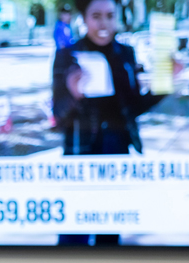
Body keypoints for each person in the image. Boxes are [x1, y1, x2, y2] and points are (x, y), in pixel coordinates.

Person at [52, 0, 173, 154]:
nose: (104, 23)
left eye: (110, 16)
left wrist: (166, 80)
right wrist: (74, 96)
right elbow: (59, 115)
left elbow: (135, 107)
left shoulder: (125, 53)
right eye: (96, 16)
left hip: (120, 150)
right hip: (81, 154)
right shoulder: (66, 56)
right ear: (84, 18)